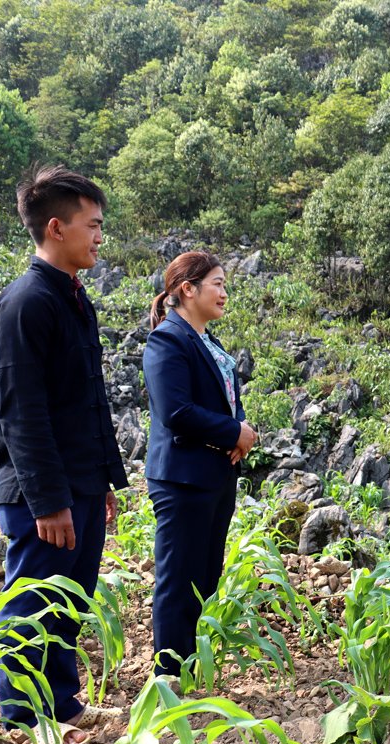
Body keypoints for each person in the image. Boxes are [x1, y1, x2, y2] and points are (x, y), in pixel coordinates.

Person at [0, 165, 128, 744]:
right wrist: (49, 501)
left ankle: (63, 703)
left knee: (70, 598)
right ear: (55, 228)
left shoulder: (73, 299)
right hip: (42, 494)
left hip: (80, 485)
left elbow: (86, 405)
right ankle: (22, 718)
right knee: (34, 600)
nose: (99, 236)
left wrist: (102, 486)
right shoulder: (26, 305)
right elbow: (22, 414)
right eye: (92, 225)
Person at [142, 251, 257, 678]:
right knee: (178, 580)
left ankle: (188, 668)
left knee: (205, 576)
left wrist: (240, 433)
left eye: (225, 284)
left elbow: (224, 397)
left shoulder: (207, 339)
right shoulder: (168, 339)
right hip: (182, 478)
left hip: (214, 475)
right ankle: (168, 677)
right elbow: (176, 411)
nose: (224, 293)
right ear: (187, 289)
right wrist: (233, 432)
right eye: (217, 283)